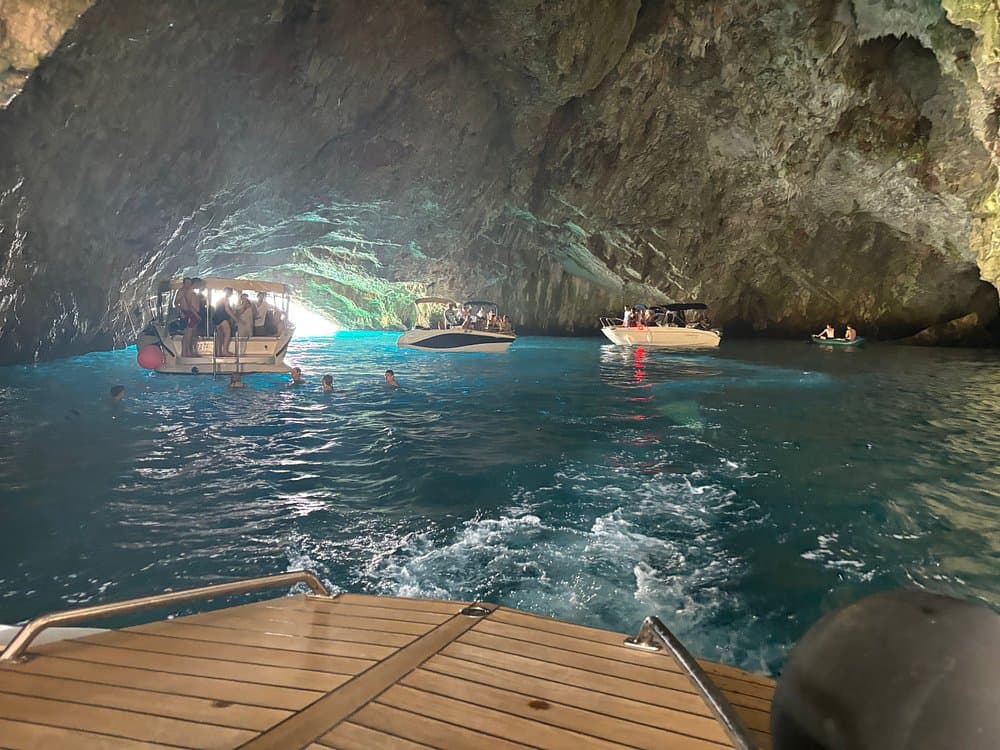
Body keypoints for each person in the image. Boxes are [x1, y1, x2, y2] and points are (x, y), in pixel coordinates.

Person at [176, 278, 201, 358]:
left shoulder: (189, 291)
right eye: (187, 283)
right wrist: (180, 312)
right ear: (184, 283)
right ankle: (186, 352)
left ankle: (187, 351)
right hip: (187, 313)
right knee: (188, 334)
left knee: (190, 334)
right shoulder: (182, 291)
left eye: (189, 283)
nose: (188, 284)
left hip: (191, 313)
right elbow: (177, 303)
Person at [213, 287, 236, 355]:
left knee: (219, 336)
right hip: (222, 317)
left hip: (216, 318)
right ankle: (225, 351)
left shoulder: (219, 300)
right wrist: (235, 318)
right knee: (227, 334)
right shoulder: (225, 299)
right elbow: (227, 310)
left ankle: (218, 351)